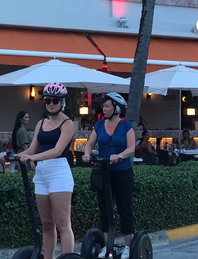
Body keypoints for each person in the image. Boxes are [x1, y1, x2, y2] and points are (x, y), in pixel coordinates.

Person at [17, 83, 75, 259]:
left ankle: (66, 257)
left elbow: (58, 150)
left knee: (62, 224)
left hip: (59, 171)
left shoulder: (67, 123)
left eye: (55, 100)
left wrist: (33, 158)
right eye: (48, 100)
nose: (51, 104)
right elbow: (32, 148)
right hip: (41, 173)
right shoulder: (41, 123)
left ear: (62, 102)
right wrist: (13, 155)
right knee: (47, 224)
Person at [82, 93, 135, 259]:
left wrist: (119, 156)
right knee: (105, 210)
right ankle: (107, 245)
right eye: (103, 106)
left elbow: (131, 148)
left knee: (124, 209)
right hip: (104, 172)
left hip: (123, 173)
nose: (103, 109)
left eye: (107, 106)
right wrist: (86, 153)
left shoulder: (126, 126)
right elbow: (90, 143)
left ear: (117, 108)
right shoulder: (99, 125)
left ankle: (127, 246)